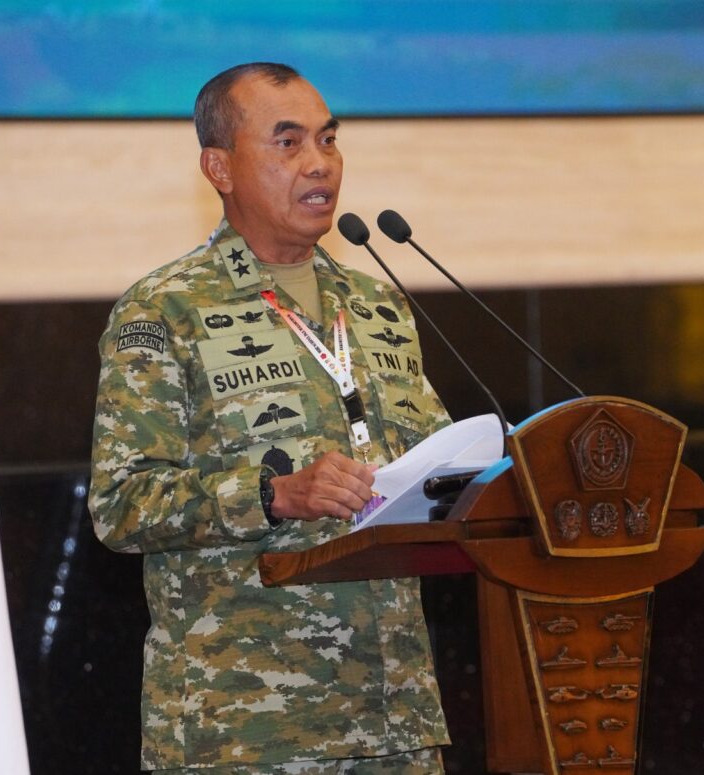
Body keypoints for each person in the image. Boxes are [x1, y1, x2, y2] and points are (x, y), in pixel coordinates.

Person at [89, 62, 451, 774]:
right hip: (245, 729)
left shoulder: (377, 304)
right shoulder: (165, 309)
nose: (320, 163)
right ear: (219, 168)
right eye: (288, 143)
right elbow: (122, 503)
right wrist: (273, 493)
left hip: (395, 721)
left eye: (328, 139)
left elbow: (434, 465)